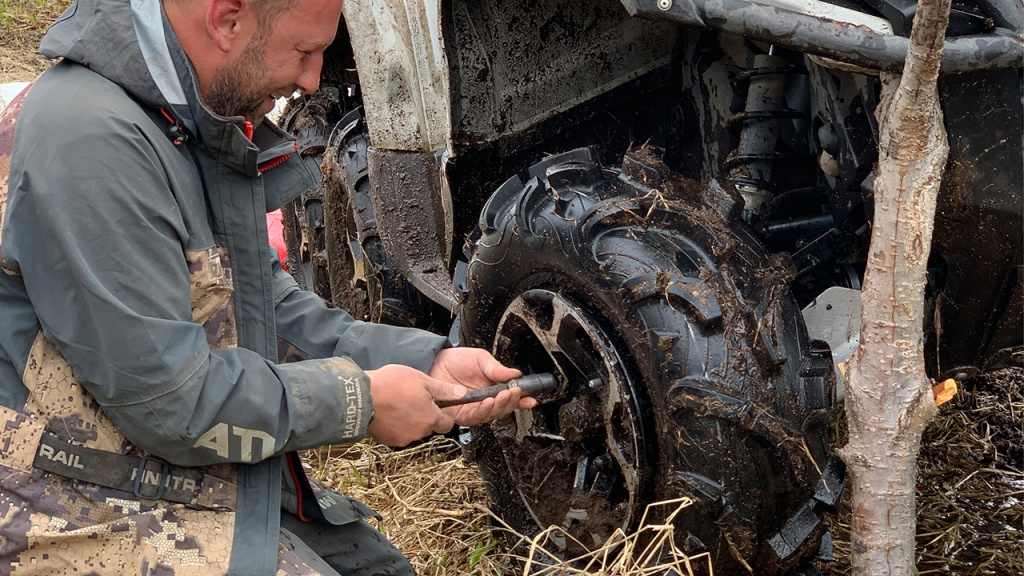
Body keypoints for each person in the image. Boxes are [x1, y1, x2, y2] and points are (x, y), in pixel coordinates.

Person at [0, 0, 535, 574]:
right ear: (227, 19)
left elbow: (258, 303)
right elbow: (167, 402)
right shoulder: (91, 140)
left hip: (161, 465)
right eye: (304, 52)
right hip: (68, 498)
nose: (309, 79)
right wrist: (361, 400)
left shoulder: (185, 115)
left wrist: (424, 361)